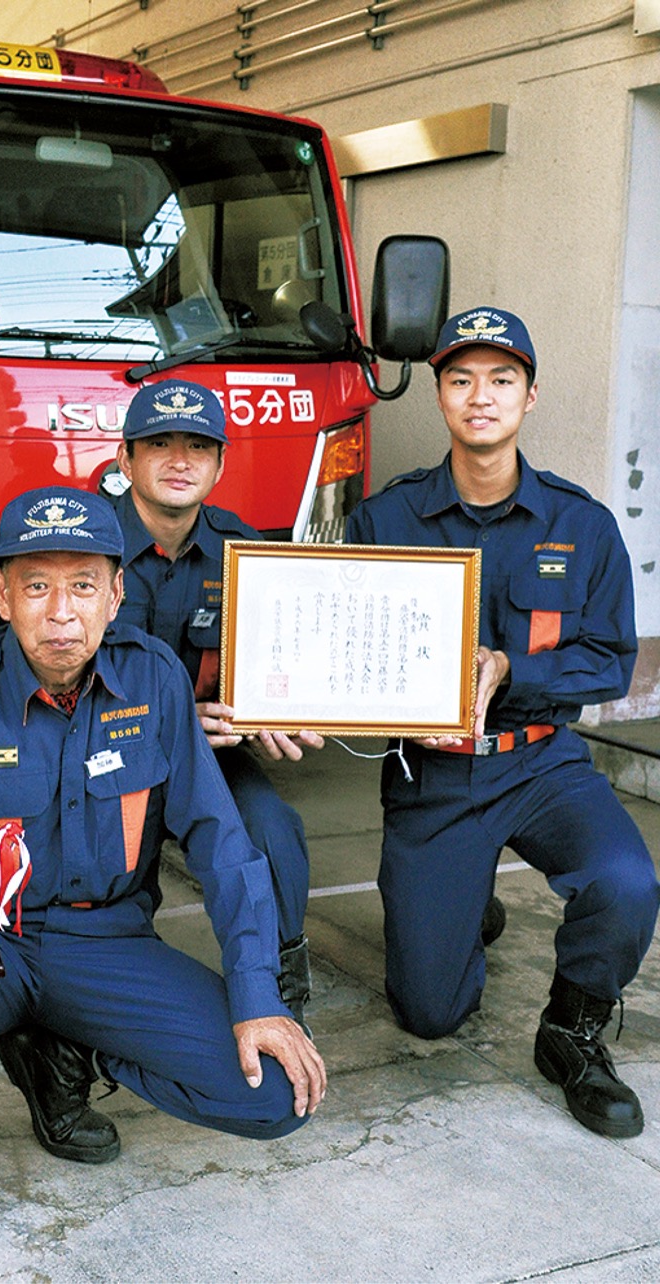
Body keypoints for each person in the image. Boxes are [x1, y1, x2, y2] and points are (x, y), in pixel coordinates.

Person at [0, 486, 325, 1271]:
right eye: (37, 586)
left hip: (104, 940)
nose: (61, 613)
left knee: (272, 1097)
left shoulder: (155, 681)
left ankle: (66, 1043)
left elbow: (223, 844)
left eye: (82, 586)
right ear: (3, 595)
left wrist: (258, 997)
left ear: (116, 594)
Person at [345, 307, 659, 1138]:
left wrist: (513, 668)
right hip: (434, 776)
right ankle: (463, 899)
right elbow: (342, 646)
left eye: (501, 379)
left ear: (529, 395)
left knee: (627, 883)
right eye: (460, 378)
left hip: (542, 765)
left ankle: (573, 1031)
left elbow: (608, 660)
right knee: (428, 1014)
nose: (480, 396)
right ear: (441, 394)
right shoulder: (385, 521)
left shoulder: (581, 524)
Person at [104, 378, 319, 1022]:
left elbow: (279, 663)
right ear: (125, 460)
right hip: (101, 758)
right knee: (103, 879)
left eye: (197, 446)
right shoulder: (86, 549)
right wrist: (170, 723)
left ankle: (282, 980)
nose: (179, 461)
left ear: (220, 464)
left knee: (272, 831)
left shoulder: (245, 554)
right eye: (159, 445)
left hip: (210, 756)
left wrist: (275, 713)